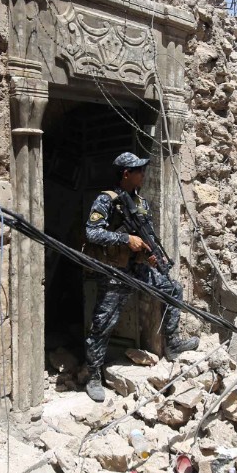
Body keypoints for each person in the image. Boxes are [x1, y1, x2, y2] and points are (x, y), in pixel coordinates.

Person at [82, 152, 199, 402]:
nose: (143, 175)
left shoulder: (142, 204)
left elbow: (147, 239)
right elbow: (92, 233)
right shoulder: (107, 200)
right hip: (114, 272)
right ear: (126, 173)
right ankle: (93, 375)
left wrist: (151, 255)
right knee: (102, 324)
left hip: (137, 268)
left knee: (172, 289)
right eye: (139, 171)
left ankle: (173, 343)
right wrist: (126, 239)